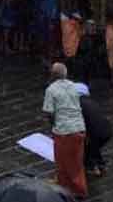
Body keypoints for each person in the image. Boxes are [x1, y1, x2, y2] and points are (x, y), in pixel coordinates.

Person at [42, 62, 88, 198]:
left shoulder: (51, 89)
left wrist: (53, 124)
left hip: (64, 131)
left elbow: (49, 112)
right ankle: (75, 188)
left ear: (52, 75)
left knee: (63, 163)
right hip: (79, 128)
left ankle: (71, 190)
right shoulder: (73, 86)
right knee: (76, 162)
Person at [76, 83, 112, 176]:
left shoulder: (78, 104)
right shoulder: (91, 102)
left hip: (96, 133)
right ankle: (101, 164)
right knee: (94, 146)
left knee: (86, 150)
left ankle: (92, 168)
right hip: (107, 131)